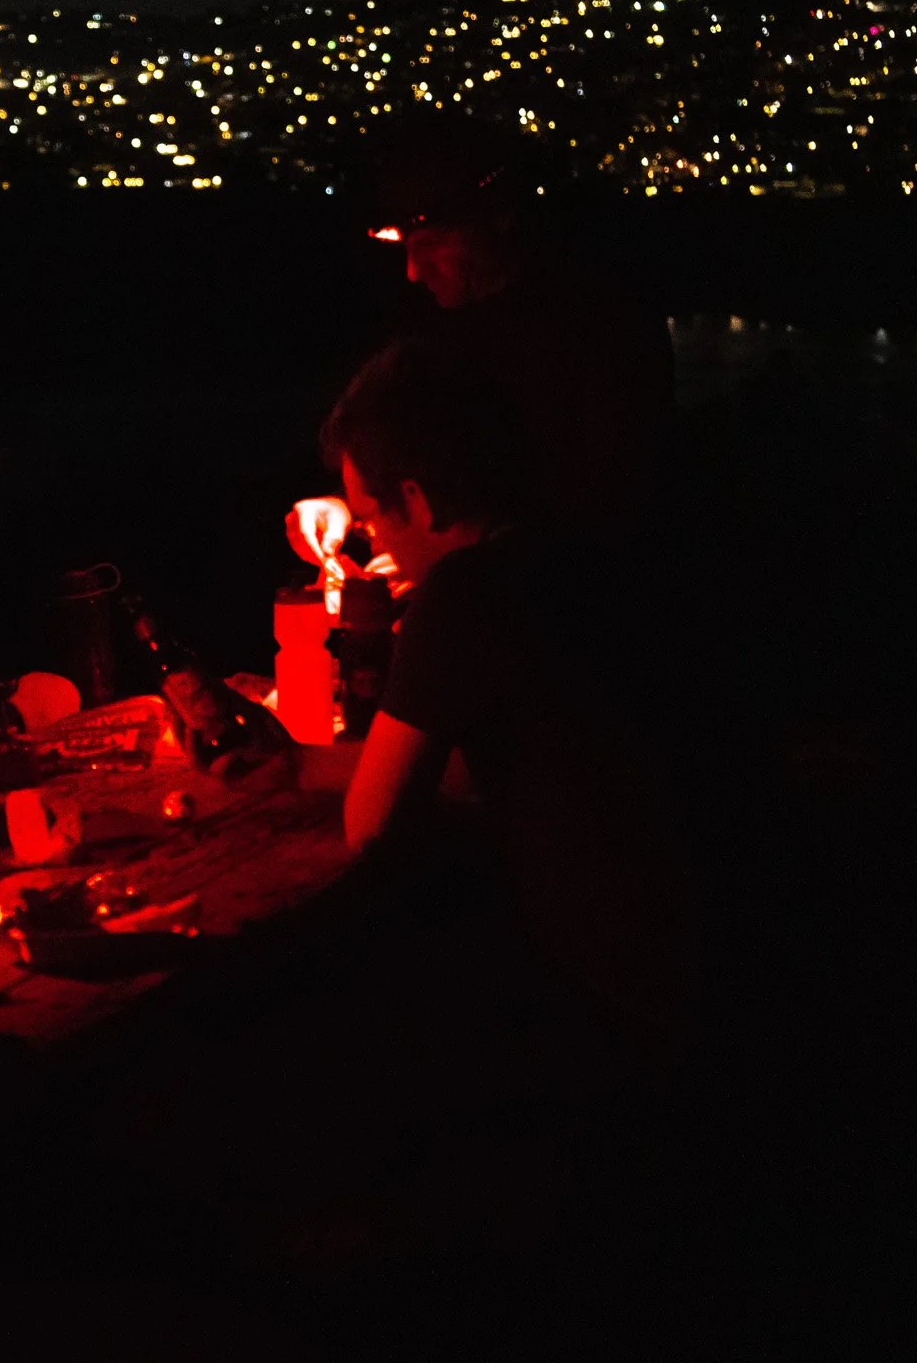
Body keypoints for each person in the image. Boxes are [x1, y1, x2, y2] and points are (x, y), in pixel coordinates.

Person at [322, 339, 693, 1049]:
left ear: (417, 500)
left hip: (610, 980)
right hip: (724, 932)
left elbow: (371, 826)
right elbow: (509, 756)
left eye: (369, 519)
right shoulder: (598, 552)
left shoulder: (463, 593)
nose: (373, 542)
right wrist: (299, 764)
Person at [287, 115, 674, 580]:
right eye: (406, 247)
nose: (413, 270)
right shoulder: (426, 325)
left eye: (432, 244)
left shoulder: (603, 327)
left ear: (499, 220)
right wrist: (359, 507)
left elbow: (616, 509)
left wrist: (450, 559)